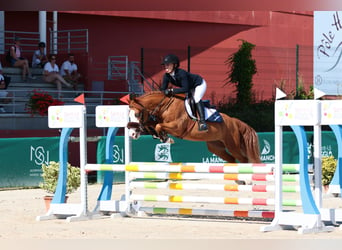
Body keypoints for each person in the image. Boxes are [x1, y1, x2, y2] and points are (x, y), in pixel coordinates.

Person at [160, 54, 208, 131]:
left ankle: (203, 122)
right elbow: (163, 89)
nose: (166, 67)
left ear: (175, 65)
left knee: (196, 98)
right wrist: (164, 92)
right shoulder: (166, 76)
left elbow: (185, 89)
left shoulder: (181, 73)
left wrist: (171, 91)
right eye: (165, 65)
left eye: (168, 65)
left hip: (199, 84)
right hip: (189, 87)